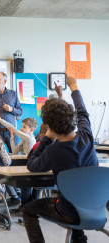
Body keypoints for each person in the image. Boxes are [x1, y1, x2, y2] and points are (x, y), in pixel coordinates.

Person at [22, 75, 98, 243]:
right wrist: (73, 86)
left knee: (27, 209)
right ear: (72, 117)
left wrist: (46, 138)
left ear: (48, 126)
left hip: (68, 212)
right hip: (95, 208)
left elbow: (32, 165)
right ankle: (79, 239)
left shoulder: (54, 150)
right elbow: (82, 110)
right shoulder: (86, 136)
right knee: (75, 199)